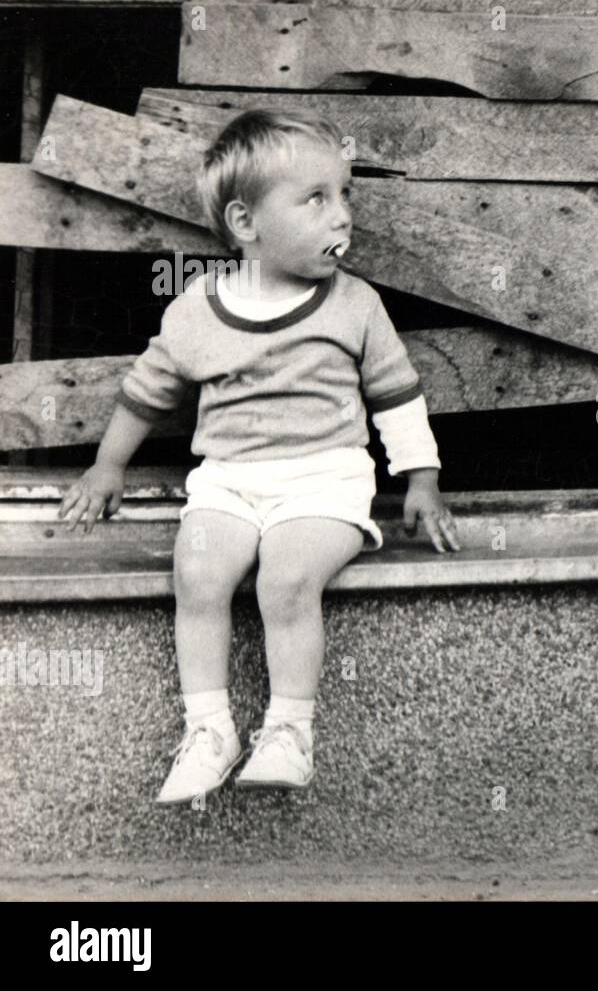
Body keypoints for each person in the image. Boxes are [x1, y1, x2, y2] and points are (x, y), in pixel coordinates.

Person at [57, 108, 461, 804]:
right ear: (246, 224)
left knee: (286, 578)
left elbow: (396, 396)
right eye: (316, 199)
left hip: (324, 483)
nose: (341, 219)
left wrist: (420, 478)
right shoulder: (196, 310)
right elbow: (144, 394)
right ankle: (209, 730)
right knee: (200, 571)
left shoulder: (354, 305)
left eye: (345, 196)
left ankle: (289, 731)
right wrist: (107, 466)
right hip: (229, 484)